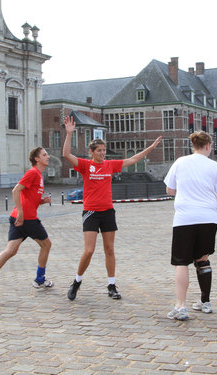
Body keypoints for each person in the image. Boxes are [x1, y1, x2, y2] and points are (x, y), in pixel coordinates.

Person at [63, 115, 161, 301]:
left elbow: (132, 160)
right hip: (91, 212)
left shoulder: (109, 165)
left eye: (104, 150)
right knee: (89, 250)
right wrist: (69, 134)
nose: (102, 153)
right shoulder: (86, 165)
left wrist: (151, 148)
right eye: (99, 150)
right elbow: (67, 155)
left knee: (109, 249)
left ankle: (111, 285)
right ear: (91, 152)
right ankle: (76, 281)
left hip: (107, 211)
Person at [164, 131, 217, 320]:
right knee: (203, 258)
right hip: (208, 218)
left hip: (185, 218)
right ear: (208, 146)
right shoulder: (215, 166)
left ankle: (181, 306)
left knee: (181, 262)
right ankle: (205, 302)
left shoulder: (180, 162)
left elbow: (169, 190)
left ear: (194, 145)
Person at [0, 147, 53, 298]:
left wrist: (42, 201)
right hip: (27, 219)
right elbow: (15, 190)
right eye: (44, 155)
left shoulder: (38, 175)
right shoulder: (33, 173)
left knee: (11, 250)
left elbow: (30, 198)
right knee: (46, 245)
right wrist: (21, 212)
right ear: (37, 159)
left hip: (19, 218)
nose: (48, 157)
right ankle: (39, 280)